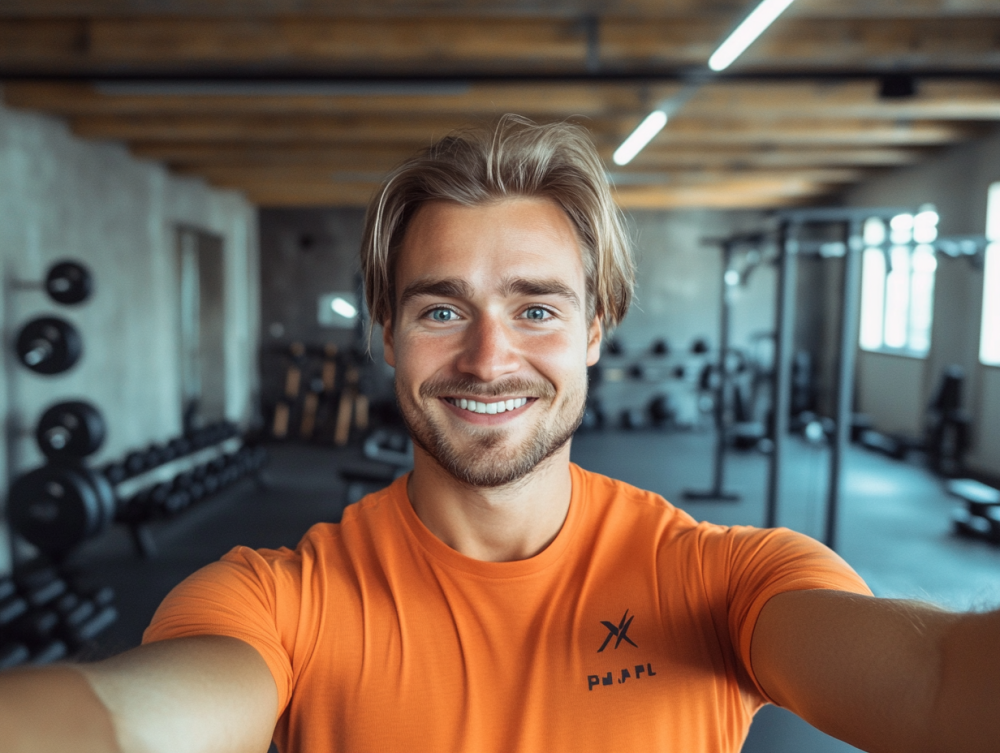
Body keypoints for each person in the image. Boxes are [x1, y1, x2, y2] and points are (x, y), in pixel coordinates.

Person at [1, 115, 997, 753]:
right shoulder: (274, 602)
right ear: (387, 334)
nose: (487, 358)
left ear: (595, 329)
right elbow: (117, 722)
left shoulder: (726, 580)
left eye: (536, 308)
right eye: (442, 310)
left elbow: (937, 683)